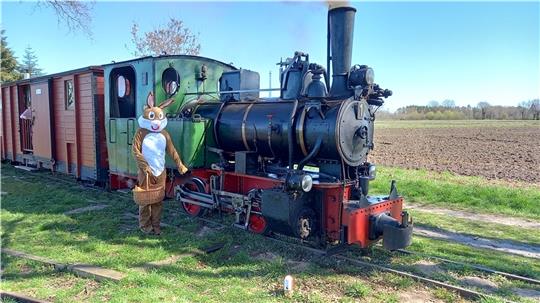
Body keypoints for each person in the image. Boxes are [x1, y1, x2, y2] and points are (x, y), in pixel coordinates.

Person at [132, 92, 188, 235]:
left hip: (160, 171)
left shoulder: (164, 134)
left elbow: (172, 150)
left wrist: (180, 165)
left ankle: (156, 226)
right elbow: (136, 151)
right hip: (146, 172)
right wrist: (145, 167)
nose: (156, 121)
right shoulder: (141, 133)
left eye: (159, 117)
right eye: (153, 117)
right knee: (145, 200)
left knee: (157, 200)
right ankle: (145, 226)